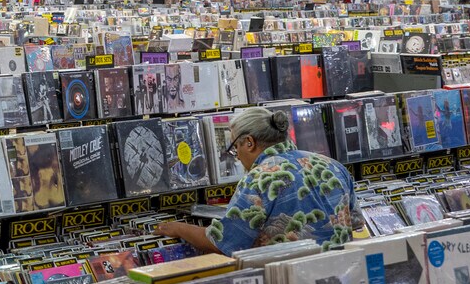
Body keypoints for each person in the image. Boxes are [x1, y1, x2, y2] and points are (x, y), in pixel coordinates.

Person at [152, 107, 354, 253]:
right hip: (343, 276)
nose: (236, 156)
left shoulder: (260, 177)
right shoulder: (333, 165)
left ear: (249, 142)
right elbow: (355, 223)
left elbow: (222, 242)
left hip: (292, 283)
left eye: (235, 148)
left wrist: (177, 228)